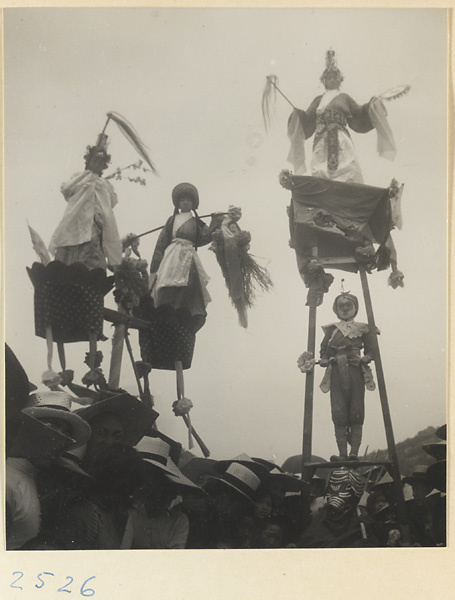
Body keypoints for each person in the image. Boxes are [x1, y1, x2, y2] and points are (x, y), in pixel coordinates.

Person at [27, 133, 122, 383]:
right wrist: (87, 178)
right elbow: (67, 190)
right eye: (94, 161)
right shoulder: (77, 179)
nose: (97, 165)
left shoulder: (105, 185)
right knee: (68, 262)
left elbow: (111, 202)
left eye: (101, 162)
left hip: (93, 228)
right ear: (87, 161)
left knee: (90, 263)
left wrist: (97, 184)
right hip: (73, 228)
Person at [287, 49, 396, 183]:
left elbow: (359, 113)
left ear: (339, 80)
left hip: (340, 138)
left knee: (348, 168)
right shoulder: (318, 100)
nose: (332, 79)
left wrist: (371, 105)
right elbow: (308, 119)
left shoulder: (344, 98)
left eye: (334, 77)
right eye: (329, 77)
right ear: (324, 81)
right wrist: (298, 115)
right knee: (321, 170)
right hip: (322, 138)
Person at [319, 293, 376, 460]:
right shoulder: (331, 329)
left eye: (348, 306)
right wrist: (323, 358)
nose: (344, 309)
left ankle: (353, 453)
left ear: (355, 308)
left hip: (355, 369)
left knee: (356, 409)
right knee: (339, 410)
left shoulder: (363, 328)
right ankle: (342, 454)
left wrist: (368, 356)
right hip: (336, 369)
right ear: (336, 310)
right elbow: (323, 348)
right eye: (341, 306)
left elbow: (371, 349)